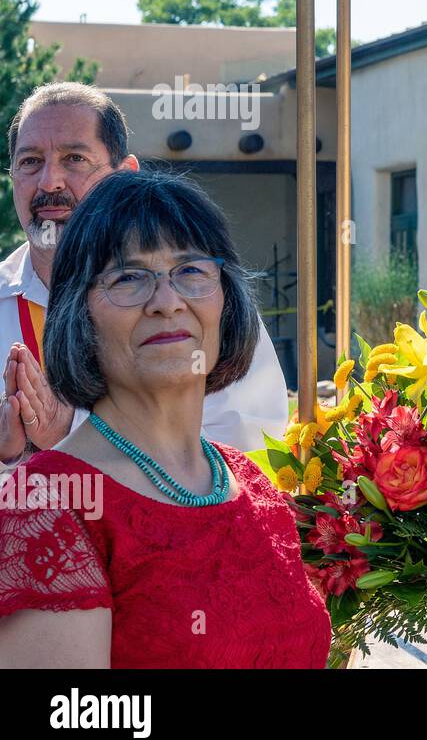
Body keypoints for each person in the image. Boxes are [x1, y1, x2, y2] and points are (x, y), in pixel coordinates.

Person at [0, 170, 329, 668]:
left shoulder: (249, 483)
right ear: (78, 315)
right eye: (128, 277)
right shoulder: (46, 506)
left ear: (227, 299)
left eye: (191, 270)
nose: (167, 301)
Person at [0, 82, 288, 470]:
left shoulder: (195, 299)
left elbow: (248, 451)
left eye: (74, 159)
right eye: (30, 161)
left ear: (125, 175)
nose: (50, 181)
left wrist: (71, 433)